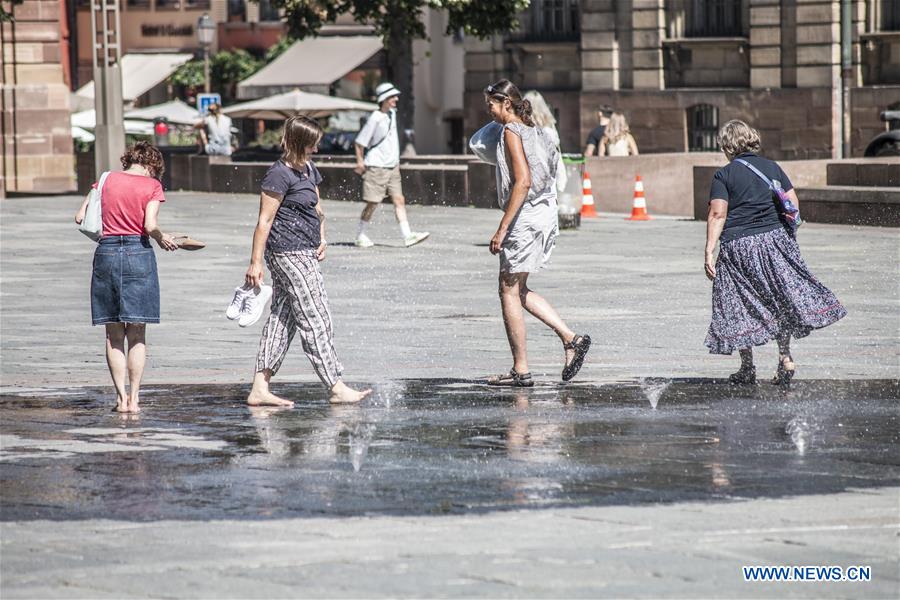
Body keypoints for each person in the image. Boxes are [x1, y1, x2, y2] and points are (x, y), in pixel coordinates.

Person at [704, 120, 847, 384]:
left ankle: (747, 367)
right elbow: (792, 202)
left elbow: (717, 213)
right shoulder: (772, 167)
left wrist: (709, 250)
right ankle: (785, 357)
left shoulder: (723, 175)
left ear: (726, 145)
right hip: (776, 240)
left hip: (739, 246)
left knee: (738, 302)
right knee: (779, 298)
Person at [245, 115, 371, 406]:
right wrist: (255, 263)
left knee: (282, 318)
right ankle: (335, 385)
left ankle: (259, 388)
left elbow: (317, 206)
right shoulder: (278, 174)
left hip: (306, 249)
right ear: (300, 142)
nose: (316, 148)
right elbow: (264, 220)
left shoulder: (308, 168)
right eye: (313, 143)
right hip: (288, 251)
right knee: (316, 316)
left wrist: (322, 237)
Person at [483, 79, 591, 387]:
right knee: (518, 289)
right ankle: (571, 340)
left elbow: (523, 181)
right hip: (544, 213)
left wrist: (502, 228)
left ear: (506, 104)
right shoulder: (539, 132)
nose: (488, 110)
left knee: (507, 289)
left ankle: (522, 369)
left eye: (491, 104)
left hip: (525, 216)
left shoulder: (511, 132)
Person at [74, 142, 179, 413]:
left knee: (113, 333)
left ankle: (120, 399)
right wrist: (162, 238)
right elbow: (149, 225)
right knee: (137, 332)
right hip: (138, 253)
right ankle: (135, 398)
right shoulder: (152, 186)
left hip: (106, 253)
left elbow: (80, 216)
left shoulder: (106, 179)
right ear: (152, 164)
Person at [353, 82, 429, 248]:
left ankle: (407, 235)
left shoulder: (392, 114)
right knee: (373, 202)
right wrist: (360, 162)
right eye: (392, 96)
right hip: (376, 166)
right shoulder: (375, 118)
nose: (396, 99)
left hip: (392, 166)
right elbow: (360, 142)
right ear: (384, 99)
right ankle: (360, 234)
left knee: (399, 200)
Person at [523, 90, 567, 193]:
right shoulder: (550, 128)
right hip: (547, 182)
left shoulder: (524, 128)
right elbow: (557, 154)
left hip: (531, 180)